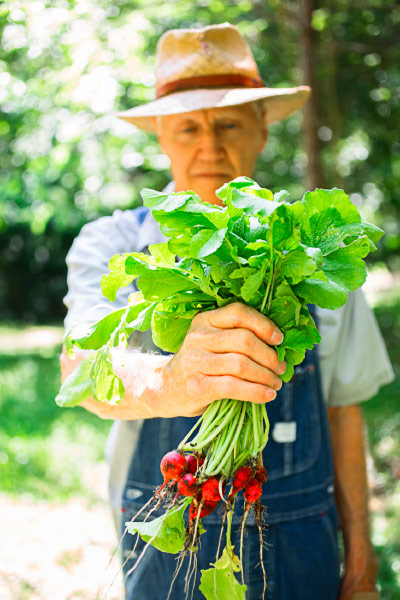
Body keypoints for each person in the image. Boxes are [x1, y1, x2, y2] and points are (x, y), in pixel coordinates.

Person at [60, 23, 394, 600]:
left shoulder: (312, 249)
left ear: (263, 131)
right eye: (188, 127)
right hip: (165, 543)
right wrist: (171, 381)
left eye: (230, 124)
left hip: (304, 548)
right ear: (163, 136)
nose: (209, 146)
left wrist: (361, 567)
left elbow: (344, 411)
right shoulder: (110, 245)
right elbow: (79, 372)